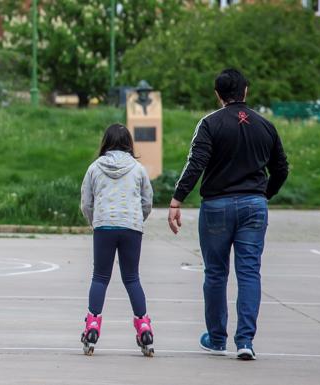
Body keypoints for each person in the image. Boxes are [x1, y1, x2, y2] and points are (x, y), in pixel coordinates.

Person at [168, 69, 289, 360]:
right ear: (246, 91)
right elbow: (281, 168)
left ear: (217, 94)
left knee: (216, 273)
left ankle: (217, 338)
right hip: (254, 205)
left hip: (217, 207)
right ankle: (245, 341)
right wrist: (264, 194)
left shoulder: (210, 124)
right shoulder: (265, 125)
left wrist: (177, 199)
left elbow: (196, 163)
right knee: (249, 273)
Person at [79, 123, 154, 357]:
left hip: (104, 225)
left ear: (105, 142)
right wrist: (137, 219)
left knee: (100, 277)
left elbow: (86, 203)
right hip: (131, 226)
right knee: (132, 278)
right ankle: (144, 327)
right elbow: (147, 200)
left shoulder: (94, 168)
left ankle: (92, 326)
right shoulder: (138, 169)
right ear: (129, 144)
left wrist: (95, 221)